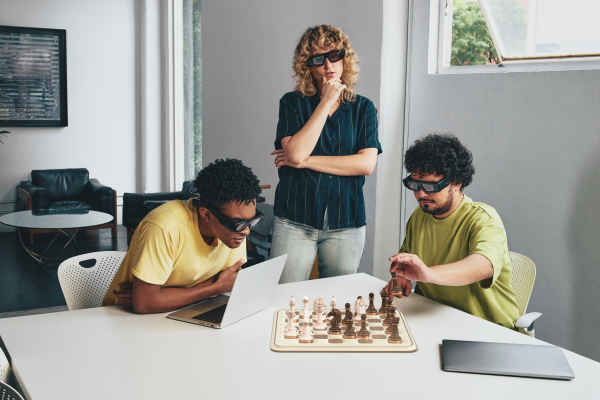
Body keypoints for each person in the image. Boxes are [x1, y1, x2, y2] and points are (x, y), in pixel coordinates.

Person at [270, 24, 382, 283]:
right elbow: (295, 153)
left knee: (336, 302)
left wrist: (306, 161)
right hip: (295, 219)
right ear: (307, 66)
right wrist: (326, 102)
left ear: (345, 59)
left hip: (347, 220)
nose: (328, 66)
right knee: (285, 300)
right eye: (318, 59)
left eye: (335, 56)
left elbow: (365, 164)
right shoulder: (293, 102)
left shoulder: (363, 108)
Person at [382, 134, 519, 329]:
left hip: (487, 328)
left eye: (430, 186)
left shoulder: (483, 219)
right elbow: (409, 262)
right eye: (414, 185)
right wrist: (401, 276)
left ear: (456, 183)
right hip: (436, 319)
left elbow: (483, 265)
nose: (420, 194)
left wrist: (428, 274)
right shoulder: (420, 217)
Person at [103, 159, 263, 313]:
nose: (246, 231)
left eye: (252, 221)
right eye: (239, 224)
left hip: (184, 312)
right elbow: (145, 303)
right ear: (206, 214)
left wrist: (162, 297)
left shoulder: (233, 231)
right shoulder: (164, 226)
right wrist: (214, 287)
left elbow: (229, 281)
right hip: (121, 317)